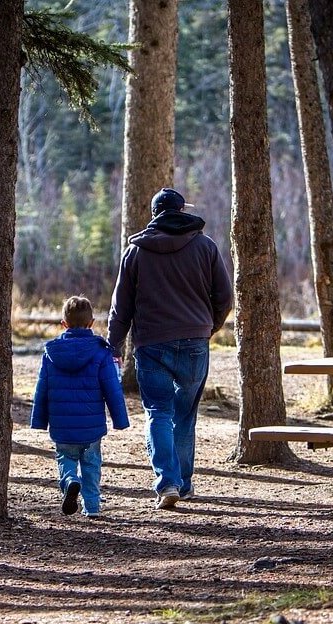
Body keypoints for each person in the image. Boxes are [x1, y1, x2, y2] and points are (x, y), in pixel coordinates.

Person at [107, 188, 234, 510]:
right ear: (181, 211)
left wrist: (114, 344)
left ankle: (168, 483)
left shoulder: (135, 252)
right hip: (194, 341)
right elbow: (224, 297)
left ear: (155, 214)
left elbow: (121, 307)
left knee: (158, 414)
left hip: (151, 344)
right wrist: (209, 326)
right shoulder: (205, 246)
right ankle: (185, 484)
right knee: (185, 417)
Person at [31, 295, 130, 518]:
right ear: (91, 323)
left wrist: (39, 420)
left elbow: (42, 388)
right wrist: (120, 420)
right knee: (92, 464)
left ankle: (69, 481)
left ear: (63, 324)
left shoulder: (51, 354)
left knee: (65, 458)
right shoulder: (101, 352)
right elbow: (111, 388)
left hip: (62, 424)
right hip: (91, 425)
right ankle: (92, 507)